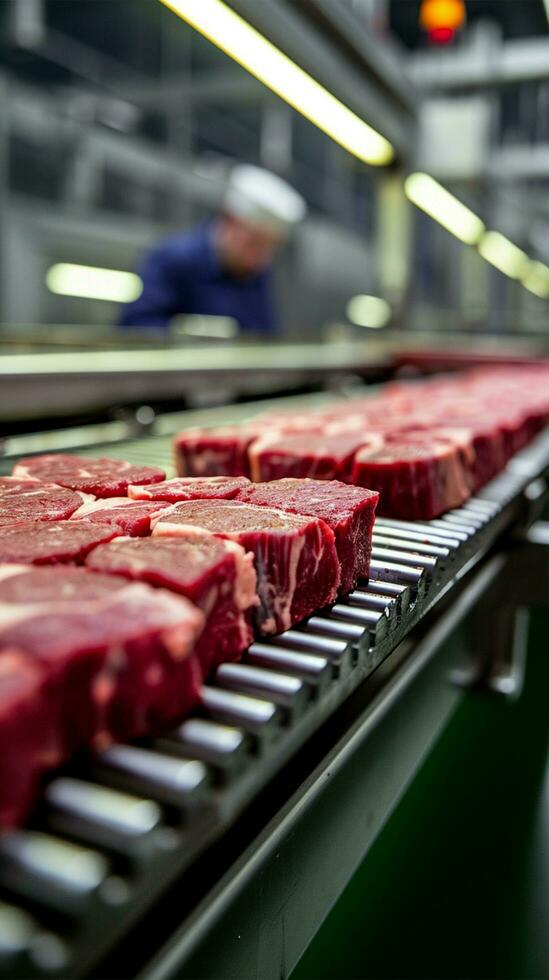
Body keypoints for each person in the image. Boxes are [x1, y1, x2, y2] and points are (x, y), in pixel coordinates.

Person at [119, 164, 306, 334]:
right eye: (254, 243)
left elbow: (266, 337)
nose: (260, 258)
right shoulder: (173, 259)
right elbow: (136, 327)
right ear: (228, 222)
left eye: (270, 249)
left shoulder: (256, 276)